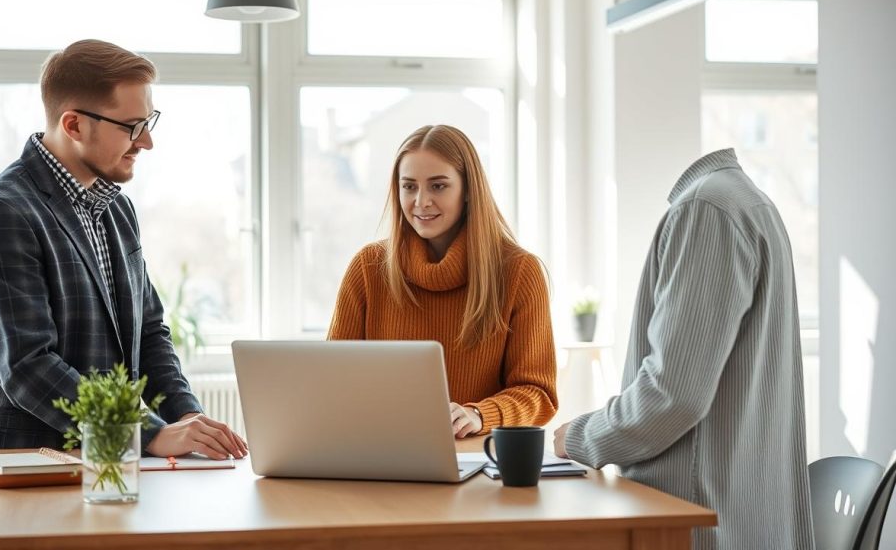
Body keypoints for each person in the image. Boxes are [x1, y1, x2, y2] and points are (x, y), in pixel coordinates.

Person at [0, 39, 246, 487]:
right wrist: (150, 432)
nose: (146, 141)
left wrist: (188, 419)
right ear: (73, 124)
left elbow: (149, 333)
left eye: (148, 122)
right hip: (20, 474)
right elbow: (28, 367)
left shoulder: (116, 209)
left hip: (111, 469)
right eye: (132, 126)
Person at [552, 149, 813, 549]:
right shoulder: (746, 202)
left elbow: (672, 395)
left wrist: (581, 437)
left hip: (694, 522)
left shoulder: (705, 210)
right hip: (738, 516)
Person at [328, 124, 557, 438]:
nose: (421, 201)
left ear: (467, 191)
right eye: (409, 187)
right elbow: (332, 381)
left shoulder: (519, 271)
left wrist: (478, 414)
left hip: (477, 461)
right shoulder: (368, 268)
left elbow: (538, 393)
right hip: (382, 453)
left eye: (438, 186)